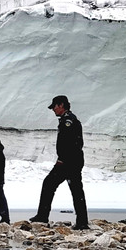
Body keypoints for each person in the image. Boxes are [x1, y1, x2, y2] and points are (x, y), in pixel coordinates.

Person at [29, 95, 89, 229]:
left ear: (61, 105)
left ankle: (43, 216)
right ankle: (82, 221)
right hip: (74, 160)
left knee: (50, 184)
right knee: (76, 190)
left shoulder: (68, 121)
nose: (53, 110)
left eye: (54, 107)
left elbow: (69, 143)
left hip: (68, 162)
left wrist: (62, 159)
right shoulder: (70, 119)